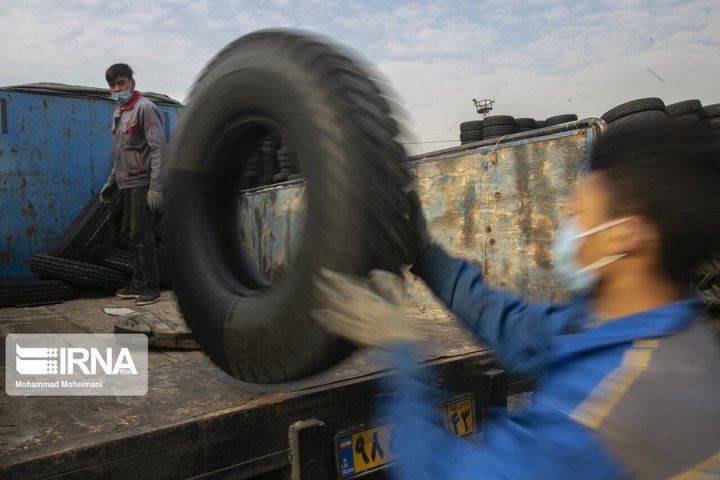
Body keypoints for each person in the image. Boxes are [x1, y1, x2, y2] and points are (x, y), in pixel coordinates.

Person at [313, 118, 720, 479]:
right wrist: (426, 256)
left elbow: (446, 472)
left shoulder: (603, 414)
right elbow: (517, 330)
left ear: (625, 236)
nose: (571, 226)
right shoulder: (656, 335)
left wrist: (399, 348)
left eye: (581, 214)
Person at [99, 63, 166, 306]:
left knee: (141, 234)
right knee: (128, 233)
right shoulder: (120, 112)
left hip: (142, 182)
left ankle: (151, 286)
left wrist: (156, 186)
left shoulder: (144, 108)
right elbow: (121, 154)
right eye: (113, 85)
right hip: (126, 183)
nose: (117, 88)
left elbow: (158, 148)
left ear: (132, 83)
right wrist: (111, 183)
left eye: (121, 83)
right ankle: (138, 282)